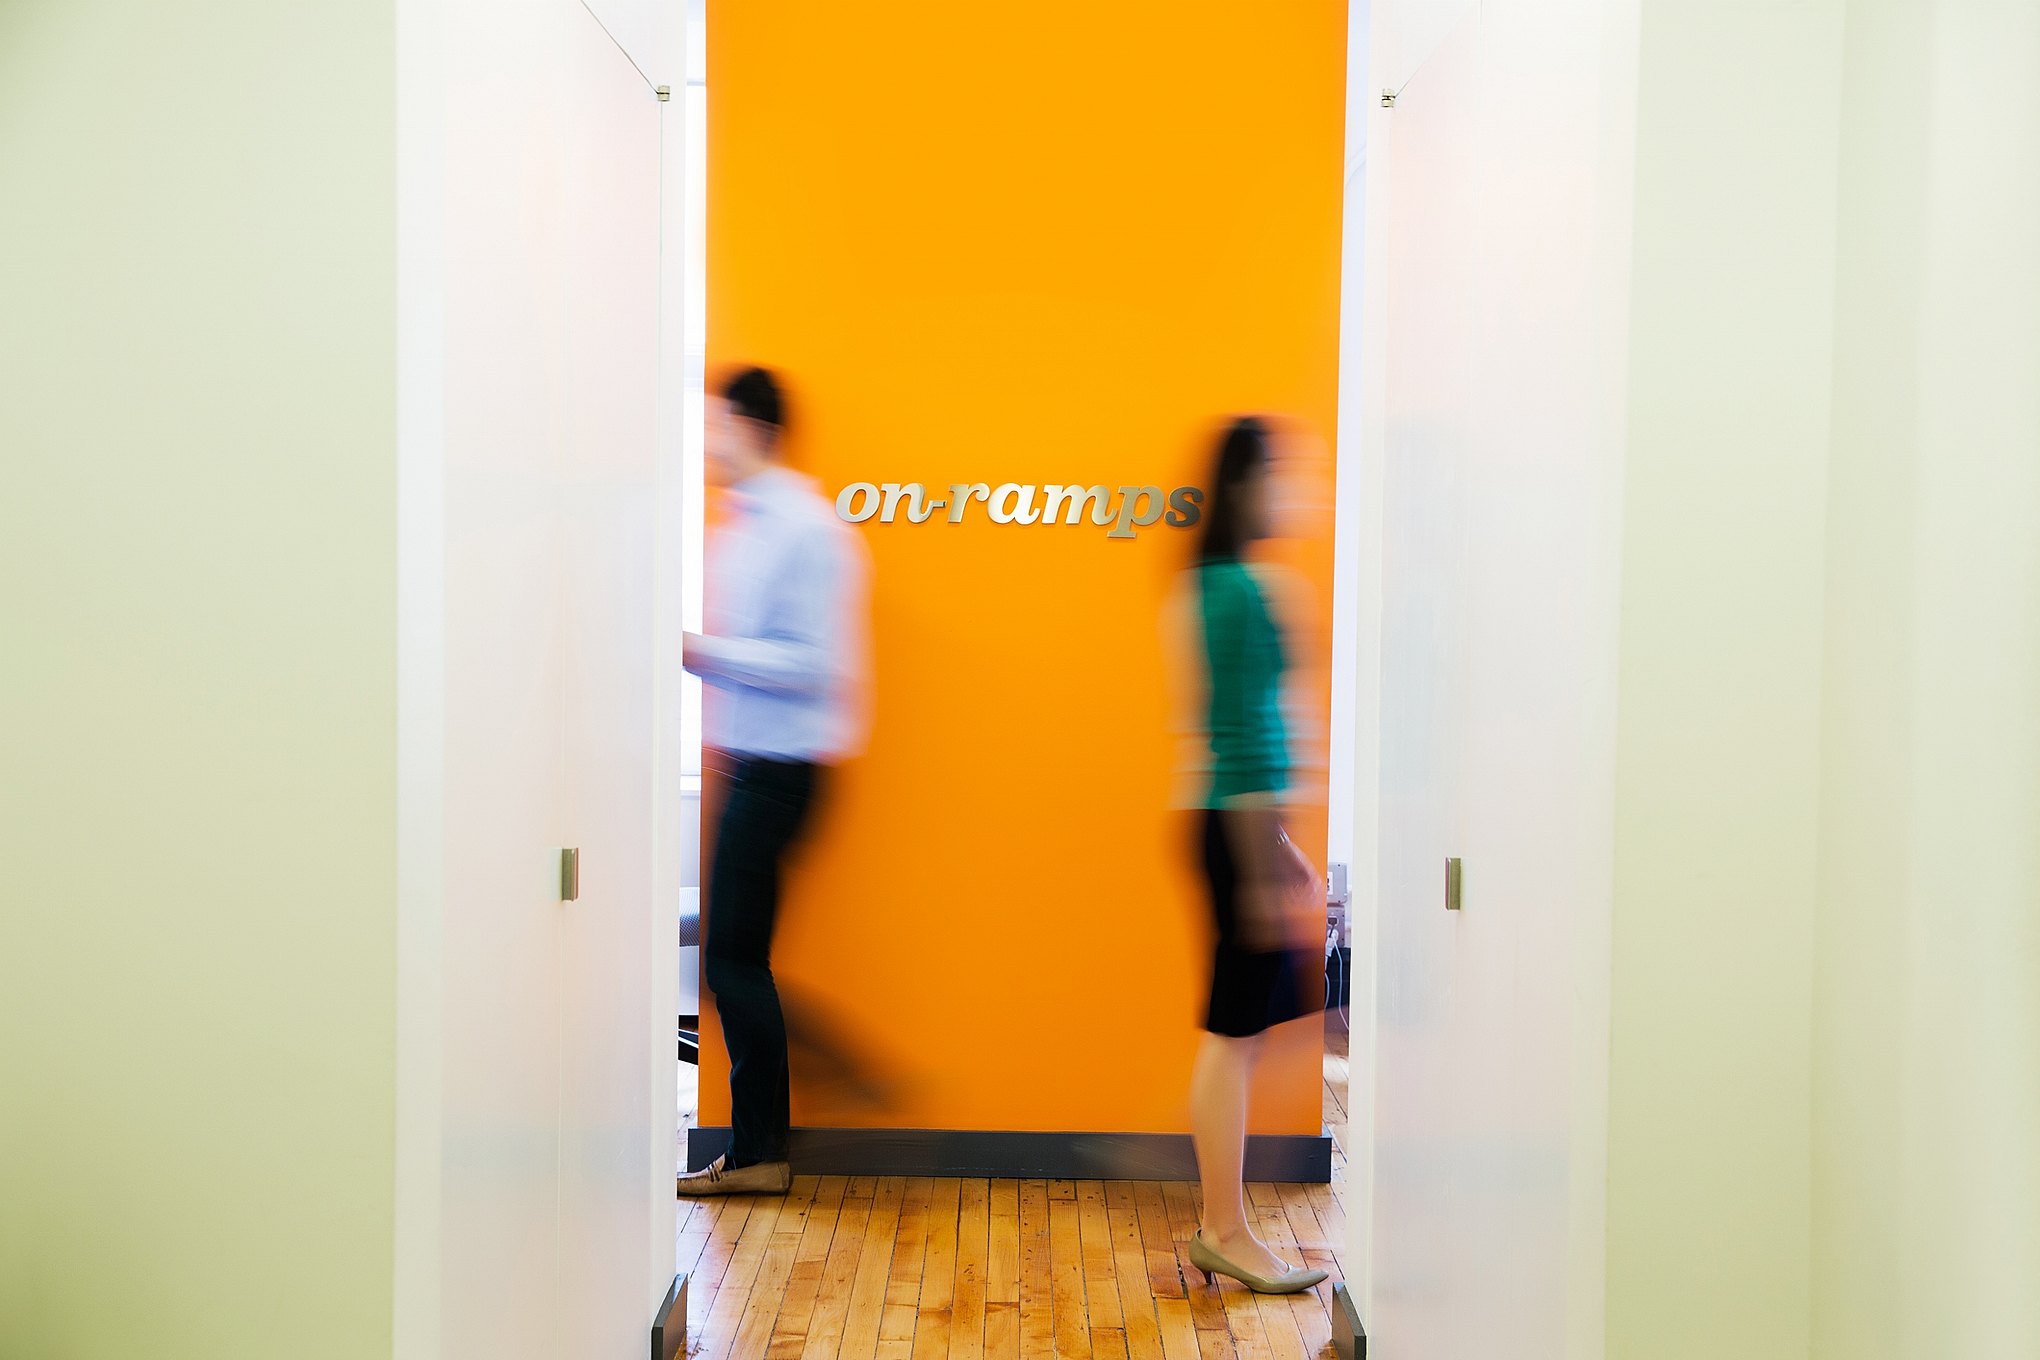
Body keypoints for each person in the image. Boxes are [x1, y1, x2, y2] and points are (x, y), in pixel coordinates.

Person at [677, 366, 867, 1197]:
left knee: (730, 962)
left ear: (752, 427)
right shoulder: (750, 524)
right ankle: (768, 1140)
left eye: (717, 424)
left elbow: (814, 663)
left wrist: (696, 650)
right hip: (753, 767)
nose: (709, 440)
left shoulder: (802, 529)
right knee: (734, 960)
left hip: (782, 770)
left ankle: (760, 1154)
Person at [1182, 416, 1330, 1294]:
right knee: (1231, 1036)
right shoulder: (1239, 588)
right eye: (1285, 473)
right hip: (1232, 824)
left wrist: (1279, 850)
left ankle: (1225, 1224)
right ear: (1245, 485)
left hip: (1239, 824)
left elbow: (1250, 736)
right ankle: (1223, 1230)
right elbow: (1240, 739)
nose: (1298, 488)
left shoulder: (1225, 582)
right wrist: (1259, 860)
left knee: (1235, 1035)